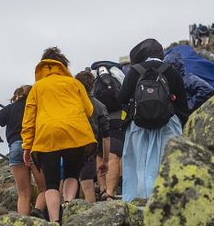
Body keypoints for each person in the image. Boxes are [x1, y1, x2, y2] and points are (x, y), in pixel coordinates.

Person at [21, 47, 96, 224]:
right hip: (75, 134)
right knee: (71, 174)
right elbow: (89, 110)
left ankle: (55, 222)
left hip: (47, 136)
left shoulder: (37, 88)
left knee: (51, 183)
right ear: (63, 65)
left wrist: (27, 146)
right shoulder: (74, 84)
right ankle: (69, 207)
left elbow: (29, 119)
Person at [118, 38, 188, 201]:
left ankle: (138, 203)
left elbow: (120, 98)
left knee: (139, 167)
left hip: (139, 126)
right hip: (167, 126)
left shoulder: (134, 71)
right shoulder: (172, 71)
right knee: (166, 165)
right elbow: (183, 105)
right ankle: (167, 201)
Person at [0, 85, 47, 217]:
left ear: (17, 95)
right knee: (45, 188)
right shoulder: (38, 107)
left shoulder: (10, 109)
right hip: (34, 146)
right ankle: (37, 211)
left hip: (15, 147)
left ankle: (24, 221)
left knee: (23, 193)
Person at [90, 60, 129, 199]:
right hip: (117, 117)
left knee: (100, 154)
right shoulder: (118, 73)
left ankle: (102, 188)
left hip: (98, 117)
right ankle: (111, 192)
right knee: (114, 155)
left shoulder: (94, 75)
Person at [74, 70, 111, 203]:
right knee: (88, 186)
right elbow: (106, 136)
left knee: (66, 182)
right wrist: (105, 160)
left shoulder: (69, 103)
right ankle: (91, 217)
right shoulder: (100, 106)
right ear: (93, 85)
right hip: (89, 148)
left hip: (68, 145)